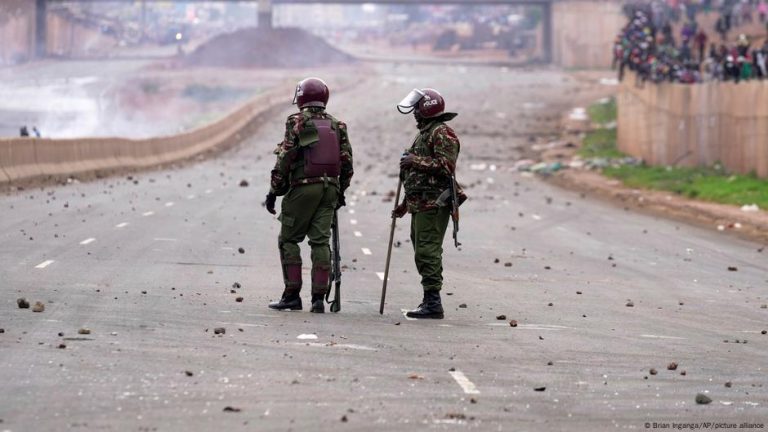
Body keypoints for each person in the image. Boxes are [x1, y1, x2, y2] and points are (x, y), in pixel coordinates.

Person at [265, 77, 353, 313]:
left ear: (301, 98)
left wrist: (274, 190)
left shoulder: (297, 121)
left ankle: (292, 295)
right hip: (329, 190)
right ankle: (318, 299)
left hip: (303, 189)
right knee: (320, 242)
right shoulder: (337, 125)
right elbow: (347, 164)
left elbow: (286, 157)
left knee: (289, 239)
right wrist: (339, 192)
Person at [392, 88, 467, 319]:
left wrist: (415, 160)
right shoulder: (426, 133)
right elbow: (420, 176)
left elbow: (446, 165)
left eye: (417, 109)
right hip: (421, 203)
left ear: (426, 109)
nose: (414, 114)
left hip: (434, 203)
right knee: (421, 249)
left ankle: (433, 303)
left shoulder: (442, 133)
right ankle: (429, 299)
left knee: (427, 250)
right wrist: (404, 205)